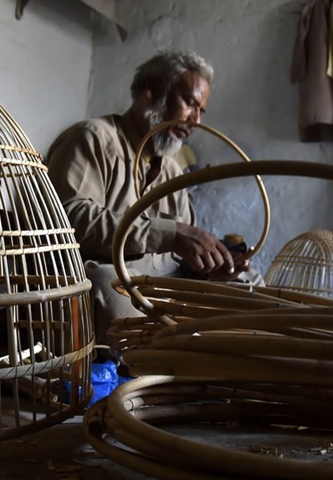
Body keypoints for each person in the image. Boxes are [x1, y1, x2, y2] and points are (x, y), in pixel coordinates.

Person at [45, 49, 259, 344]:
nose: (194, 120)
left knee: (249, 283)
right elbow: (68, 217)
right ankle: (168, 364)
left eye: (201, 111)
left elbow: (182, 259)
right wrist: (169, 234)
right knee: (109, 288)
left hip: (161, 287)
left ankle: (224, 368)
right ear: (152, 91)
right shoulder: (92, 138)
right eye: (189, 103)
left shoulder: (172, 169)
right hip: (105, 277)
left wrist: (212, 268)